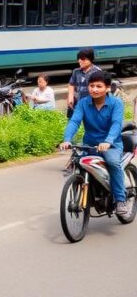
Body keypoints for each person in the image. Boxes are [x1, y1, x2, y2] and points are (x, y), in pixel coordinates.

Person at [60, 70, 128, 215]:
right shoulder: (83, 103)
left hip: (112, 144)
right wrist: (67, 139)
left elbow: (116, 124)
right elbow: (74, 121)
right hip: (90, 144)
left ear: (107, 88)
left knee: (113, 163)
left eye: (99, 86)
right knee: (77, 162)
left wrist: (108, 141)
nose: (94, 89)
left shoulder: (116, 103)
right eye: (91, 86)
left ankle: (121, 200)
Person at [67, 48, 101, 118]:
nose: (80, 61)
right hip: (79, 103)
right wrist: (70, 96)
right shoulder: (76, 71)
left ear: (90, 60)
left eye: (83, 59)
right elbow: (71, 84)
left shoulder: (97, 72)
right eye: (79, 58)